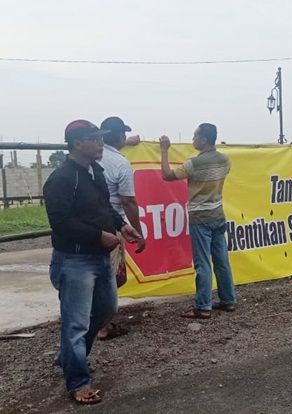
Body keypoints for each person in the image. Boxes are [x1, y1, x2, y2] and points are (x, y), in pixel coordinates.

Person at [44, 120, 142, 405]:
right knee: (75, 324)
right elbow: (60, 223)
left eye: (100, 139)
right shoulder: (61, 179)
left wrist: (121, 226)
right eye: (94, 139)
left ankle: (68, 357)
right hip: (75, 260)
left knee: (106, 309)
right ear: (77, 144)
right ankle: (78, 381)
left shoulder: (95, 172)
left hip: (99, 258)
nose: (101, 144)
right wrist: (98, 236)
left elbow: (104, 209)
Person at [159, 123, 236, 319]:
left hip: (200, 218)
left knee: (202, 263)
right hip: (218, 215)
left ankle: (203, 306)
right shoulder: (225, 160)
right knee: (222, 261)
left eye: (195, 136)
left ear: (203, 140)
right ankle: (228, 300)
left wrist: (164, 151)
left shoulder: (193, 164)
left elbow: (167, 175)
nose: (193, 139)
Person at [95, 116, 146, 340]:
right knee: (112, 276)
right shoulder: (120, 163)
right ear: (120, 137)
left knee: (95, 274)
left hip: (86, 224)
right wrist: (138, 230)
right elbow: (128, 201)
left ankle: (95, 320)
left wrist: (129, 142)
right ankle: (103, 325)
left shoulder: (91, 158)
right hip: (111, 224)